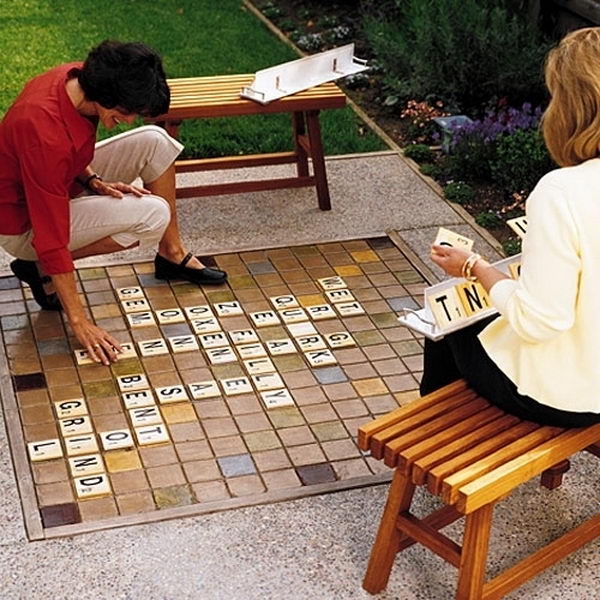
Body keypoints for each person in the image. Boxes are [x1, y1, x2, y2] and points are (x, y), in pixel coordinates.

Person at [0, 40, 227, 366]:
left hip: (59, 183)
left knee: (156, 141)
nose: (131, 118)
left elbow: (70, 149)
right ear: (106, 98)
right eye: (127, 112)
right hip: (24, 226)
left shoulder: (75, 80)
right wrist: (79, 322)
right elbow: (51, 237)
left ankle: (171, 255)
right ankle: (36, 266)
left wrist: (92, 181)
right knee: (152, 215)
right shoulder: (42, 131)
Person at [421, 27, 600, 428]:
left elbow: (540, 322)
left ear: (574, 107)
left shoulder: (562, 191)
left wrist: (476, 269)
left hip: (571, 398)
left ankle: (433, 442)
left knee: (447, 325)